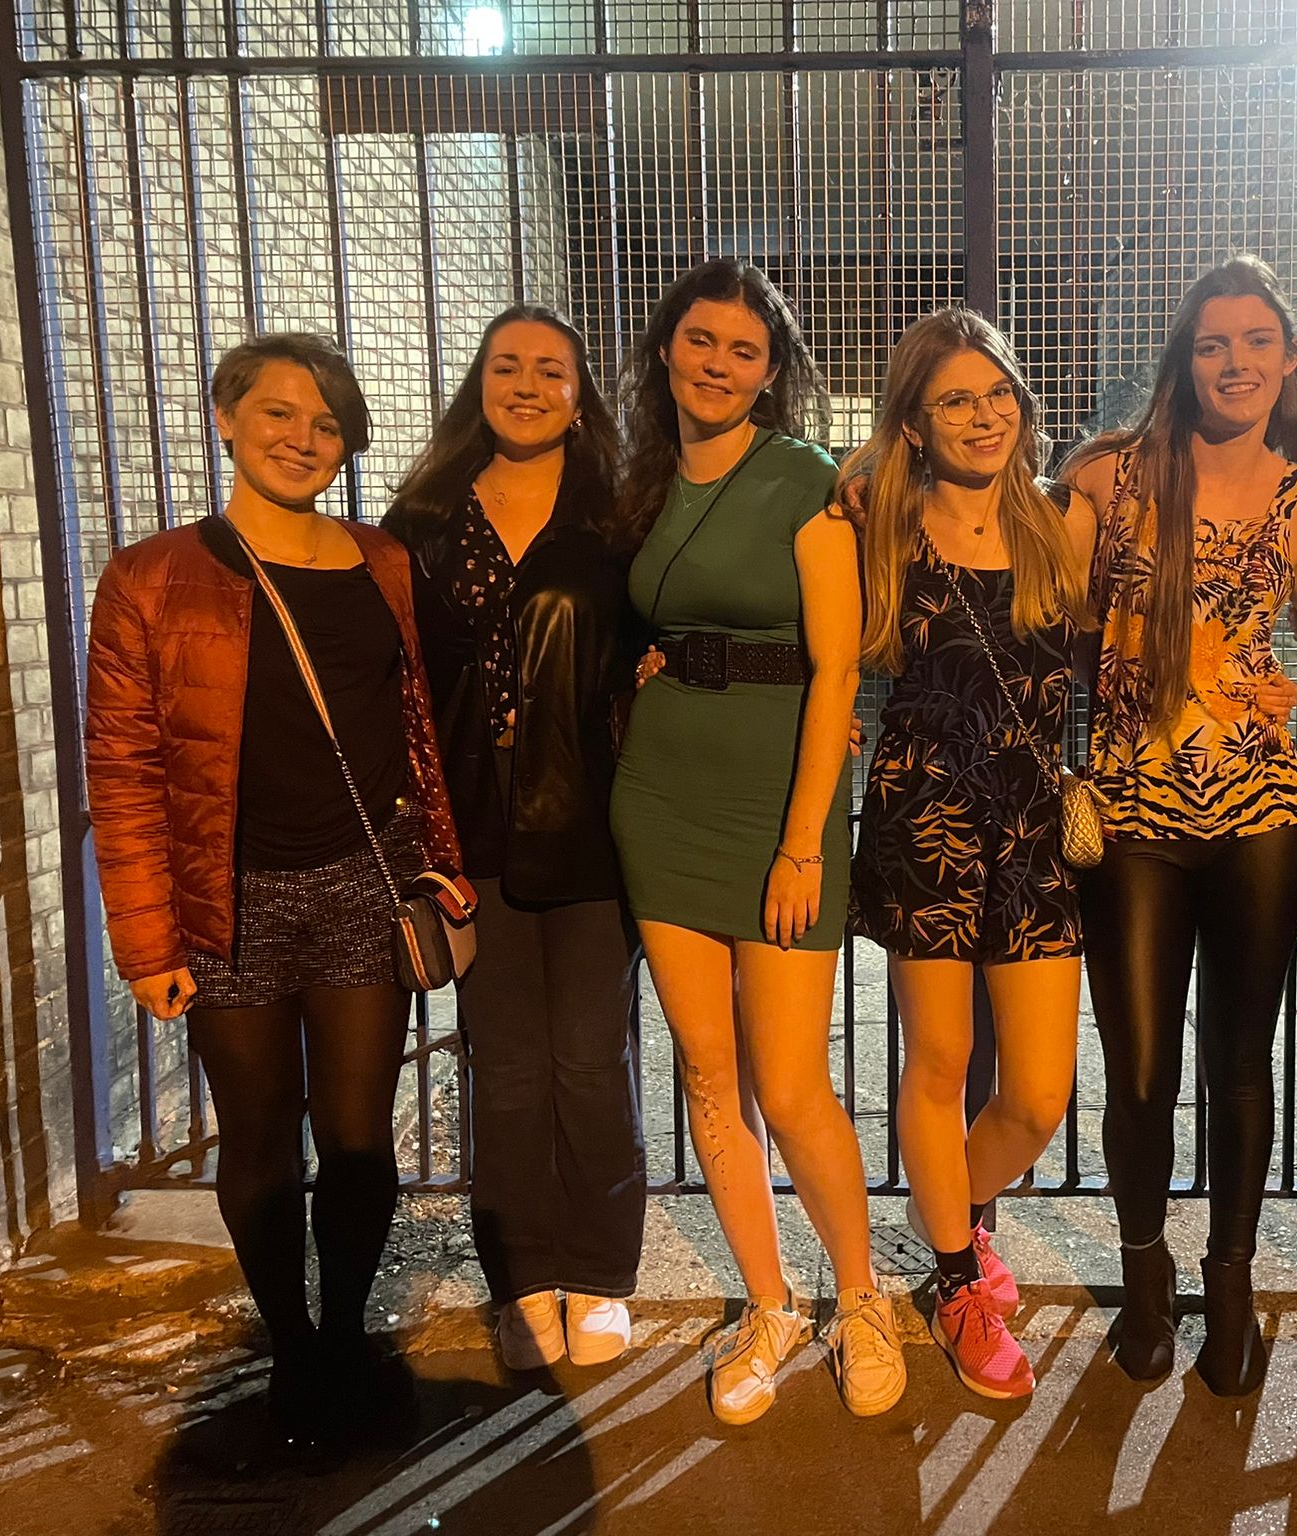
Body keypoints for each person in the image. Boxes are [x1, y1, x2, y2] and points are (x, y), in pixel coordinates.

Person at [85, 334, 463, 1444]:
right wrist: (146, 938)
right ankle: (290, 1347)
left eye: (328, 423)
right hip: (224, 896)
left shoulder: (380, 559)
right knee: (256, 1132)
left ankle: (343, 1335)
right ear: (226, 417)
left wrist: (434, 851)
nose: (305, 439)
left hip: (361, 882)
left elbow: (414, 723)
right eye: (281, 415)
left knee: (356, 1137)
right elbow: (126, 767)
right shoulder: (151, 576)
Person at [608, 257, 905, 1424]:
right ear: (666, 351)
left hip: (777, 804)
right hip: (661, 791)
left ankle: (861, 1294)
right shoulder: (642, 480)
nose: (717, 364)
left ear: (771, 370)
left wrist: (799, 845)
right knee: (707, 1071)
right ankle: (770, 1302)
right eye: (698, 341)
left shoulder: (807, 483)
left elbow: (837, 669)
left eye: (742, 349)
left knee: (788, 1082)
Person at [1061, 256, 1297, 1393]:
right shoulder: (1107, 478)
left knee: (1239, 1063)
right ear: (1184, 359)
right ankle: (1142, 1272)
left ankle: (1229, 1282)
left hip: (1263, 805)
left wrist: (1291, 695)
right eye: (1212, 343)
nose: (1234, 362)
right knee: (1135, 1070)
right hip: (1130, 807)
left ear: (1286, 358)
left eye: (1255, 341)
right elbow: (1045, 609)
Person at [383, 305, 646, 1374]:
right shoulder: (422, 516)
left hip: (591, 821)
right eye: (507, 367)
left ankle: (601, 1272)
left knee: (590, 1060)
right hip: (468, 827)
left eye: (550, 370)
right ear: (477, 383)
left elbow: (666, 635)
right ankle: (523, 1277)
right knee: (503, 1067)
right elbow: (395, 681)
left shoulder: (621, 516)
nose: (527, 385)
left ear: (579, 395)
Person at [846, 308, 1094, 1400]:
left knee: (1037, 1095)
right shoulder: (875, 531)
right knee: (938, 1067)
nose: (982, 415)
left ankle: (948, 1208)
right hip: (923, 819)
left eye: (996, 394)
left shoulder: (1059, 525)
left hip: (1033, 828)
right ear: (912, 422)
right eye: (952, 399)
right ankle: (954, 1274)